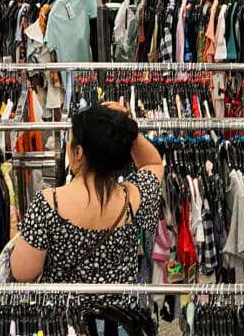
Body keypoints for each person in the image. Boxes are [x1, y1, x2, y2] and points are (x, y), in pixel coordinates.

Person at [10, 101, 163, 286]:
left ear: (79, 151)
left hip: (64, 313)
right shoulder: (134, 199)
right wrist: (125, 127)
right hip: (119, 313)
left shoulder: (48, 204)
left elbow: (23, 273)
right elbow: (153, 164)